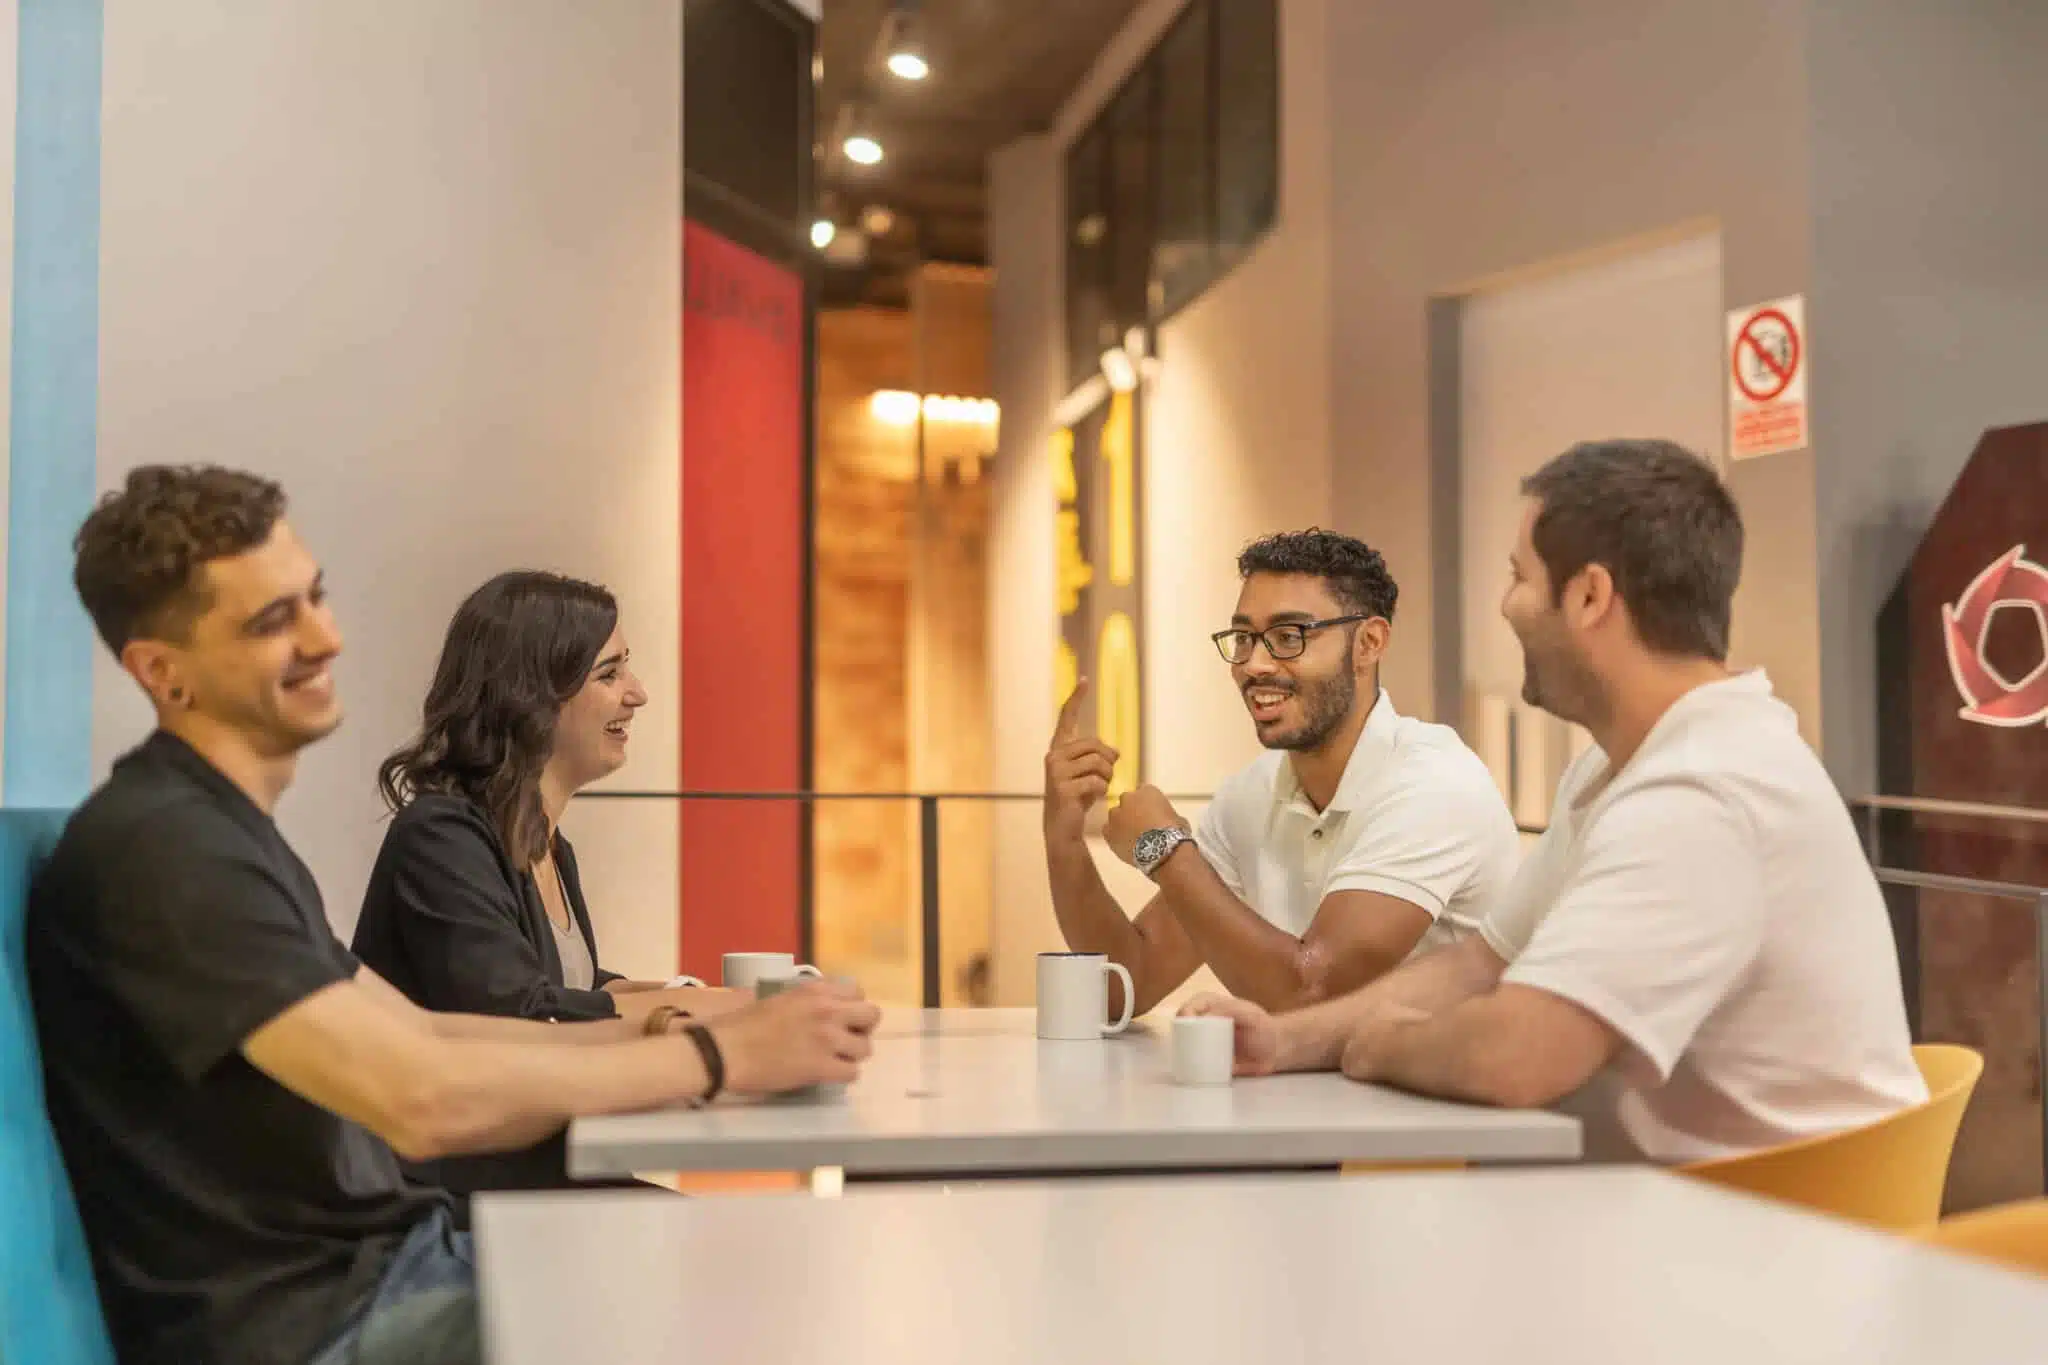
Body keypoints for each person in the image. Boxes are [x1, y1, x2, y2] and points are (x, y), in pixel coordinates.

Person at [26, 466, 879, 1365]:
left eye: (315, 597)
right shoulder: (166, 853)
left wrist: (704, 1028)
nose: (325, 636)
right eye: (273, 620)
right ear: (162, 673)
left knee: (772, 1269)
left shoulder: (225, 835)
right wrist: (717, 1056)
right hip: (319, 1325)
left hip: (399, 1264)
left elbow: (435, 1033)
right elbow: (422, 1098)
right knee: (765, 1305)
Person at [1188, 440, 1926, 1162]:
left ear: (1589, 597)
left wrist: (1377, 1043)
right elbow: (1479, 965)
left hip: (1773, 1222)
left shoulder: (1703, 792)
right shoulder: (1616, 767)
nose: (1506, 605)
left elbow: (1517, 1056)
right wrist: (1283, 1041)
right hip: (1670, 1205)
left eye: (1520, 576)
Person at [352, 571, 743, 1201]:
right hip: (457, 1206)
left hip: (536, 1179)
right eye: (609, 674)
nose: (638, 694)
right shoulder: (441, 838)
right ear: (531, 697)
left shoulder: (550, 847)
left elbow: (574, 990)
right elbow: (526, 1019)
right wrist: (716, 1019)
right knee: (729, 1239)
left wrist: (702, 997)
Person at [1044, 530, 1520, 1018]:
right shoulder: (1250, 795)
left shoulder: (1434, 784)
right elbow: (1126, 984)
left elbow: (1312, 993)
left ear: (1368, 643)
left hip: (1456, 1070)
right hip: (1332, 1071)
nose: (1254, 664)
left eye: (1288, 637)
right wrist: (1064, 838)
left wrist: (1165, 850)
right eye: (1244, 638)